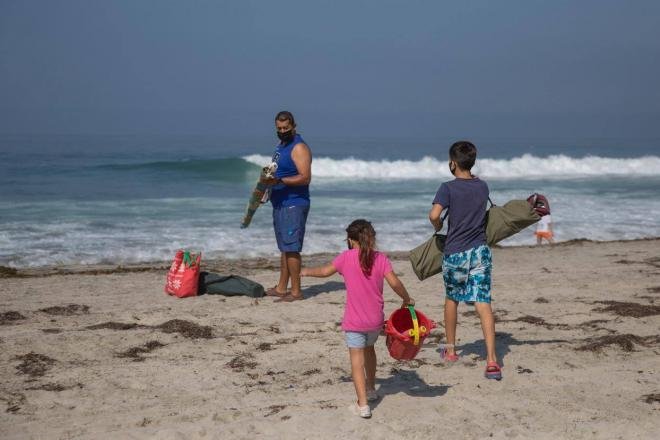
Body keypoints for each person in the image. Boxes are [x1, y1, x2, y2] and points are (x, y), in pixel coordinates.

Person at [301, 219, 414, 418]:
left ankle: (362, 405)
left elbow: (325, 272)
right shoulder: (380, 258)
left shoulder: (346, 257)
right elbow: (395, 283)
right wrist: (406, 298)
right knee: (369, 351)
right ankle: (371, 389)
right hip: (374, 321)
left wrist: (306, 272)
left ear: (351, 240)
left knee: (356, 360)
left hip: (354, 322)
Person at [428, 141, 502, 380]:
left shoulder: (447, 188)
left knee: (452, 299)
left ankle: (450, 352)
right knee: (483, 301)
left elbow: (434, 215)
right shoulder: (483, 186)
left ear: (452, 163)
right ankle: (492, 361)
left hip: (456, 252)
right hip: (480, 250)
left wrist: (438, 226)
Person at [262, 111, 312, 302]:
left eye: (286, 128)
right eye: (279, 128)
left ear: (294, 126)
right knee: (284, 247)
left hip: (294, 204)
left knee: (292, 248)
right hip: (279, 202)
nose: (282, 131)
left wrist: (280, 180)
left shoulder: (299, 147)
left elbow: (305, 177)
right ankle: (282, 288)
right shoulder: (280, 146)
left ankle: (296, 292)